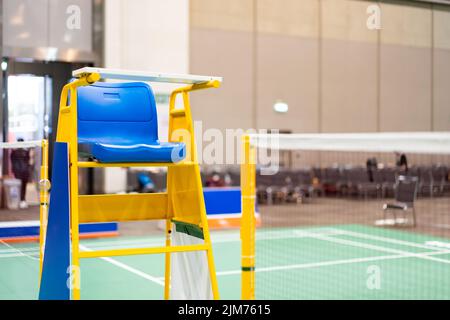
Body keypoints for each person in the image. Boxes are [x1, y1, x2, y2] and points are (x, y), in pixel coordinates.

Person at [10, 138, 32, 209]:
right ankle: (22, 200)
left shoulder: (15, 152)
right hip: (23, 172)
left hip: (19, 172)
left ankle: (20, 200)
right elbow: (28, 162)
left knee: (19, 187)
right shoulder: (25, 152)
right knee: (23, 187)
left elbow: (12, 162)